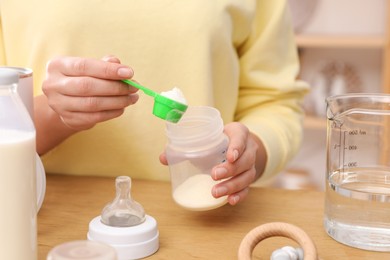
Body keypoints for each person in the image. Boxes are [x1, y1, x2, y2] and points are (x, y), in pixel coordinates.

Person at [0, 0, 308, 205]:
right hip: (45, 217)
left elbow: (275, 102)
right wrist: (54, 115)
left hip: (207, 215)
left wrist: (250, 150)